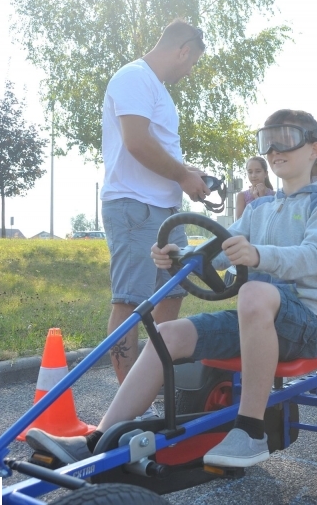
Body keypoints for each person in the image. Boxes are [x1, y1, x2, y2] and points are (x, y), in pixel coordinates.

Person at [25, 109, 317, 468]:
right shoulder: (260, 210)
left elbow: (315, 257)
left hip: (308, 324)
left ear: (315, 150)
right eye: (266, 141)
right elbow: (221, 249)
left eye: (285, 139)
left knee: (252, 293)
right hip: (257, 319)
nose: (273, 149)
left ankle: (251, 431)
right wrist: (181, 255)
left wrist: (257, 255)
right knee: (167, 333)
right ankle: (98, 439)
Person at [100, 19, 211, 387]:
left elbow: (155, 145)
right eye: (192, 62)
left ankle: (153, 388)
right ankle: (126, 404)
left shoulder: (156, 89)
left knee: (174, 294)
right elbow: (136, 141)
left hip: (164, 212)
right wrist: (182, 176)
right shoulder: (134, 77)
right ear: (182, 50)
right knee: (129, 301)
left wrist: (187, 171)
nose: (190, 71)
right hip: (135, 208)